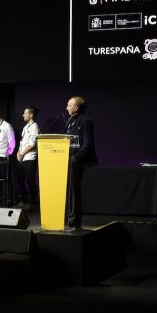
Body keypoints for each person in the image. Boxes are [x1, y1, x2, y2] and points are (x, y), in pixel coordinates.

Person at [64, 96, 97, 229]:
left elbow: (87, 144)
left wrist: (75, 158)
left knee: (74, 191)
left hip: (76, 162)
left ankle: (74, 220)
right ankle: (67, 217)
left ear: (76, 107)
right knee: (68, 191)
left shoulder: (85, 121)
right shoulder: (70, 119)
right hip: (65, 159)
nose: (66, 108)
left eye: (69, 105)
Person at [16, 106, 40, 209]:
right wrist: (18, 153)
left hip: (30, 157)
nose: (23, 115)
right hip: (22, 157)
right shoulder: (26, 127)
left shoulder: (35, 126)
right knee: (20, 179)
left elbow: (32, 144)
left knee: (30, 180)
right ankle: (23, 200)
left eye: (25, 113)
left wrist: (22, 154)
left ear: (31, 115)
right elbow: (22, 143)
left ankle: (33, 203)